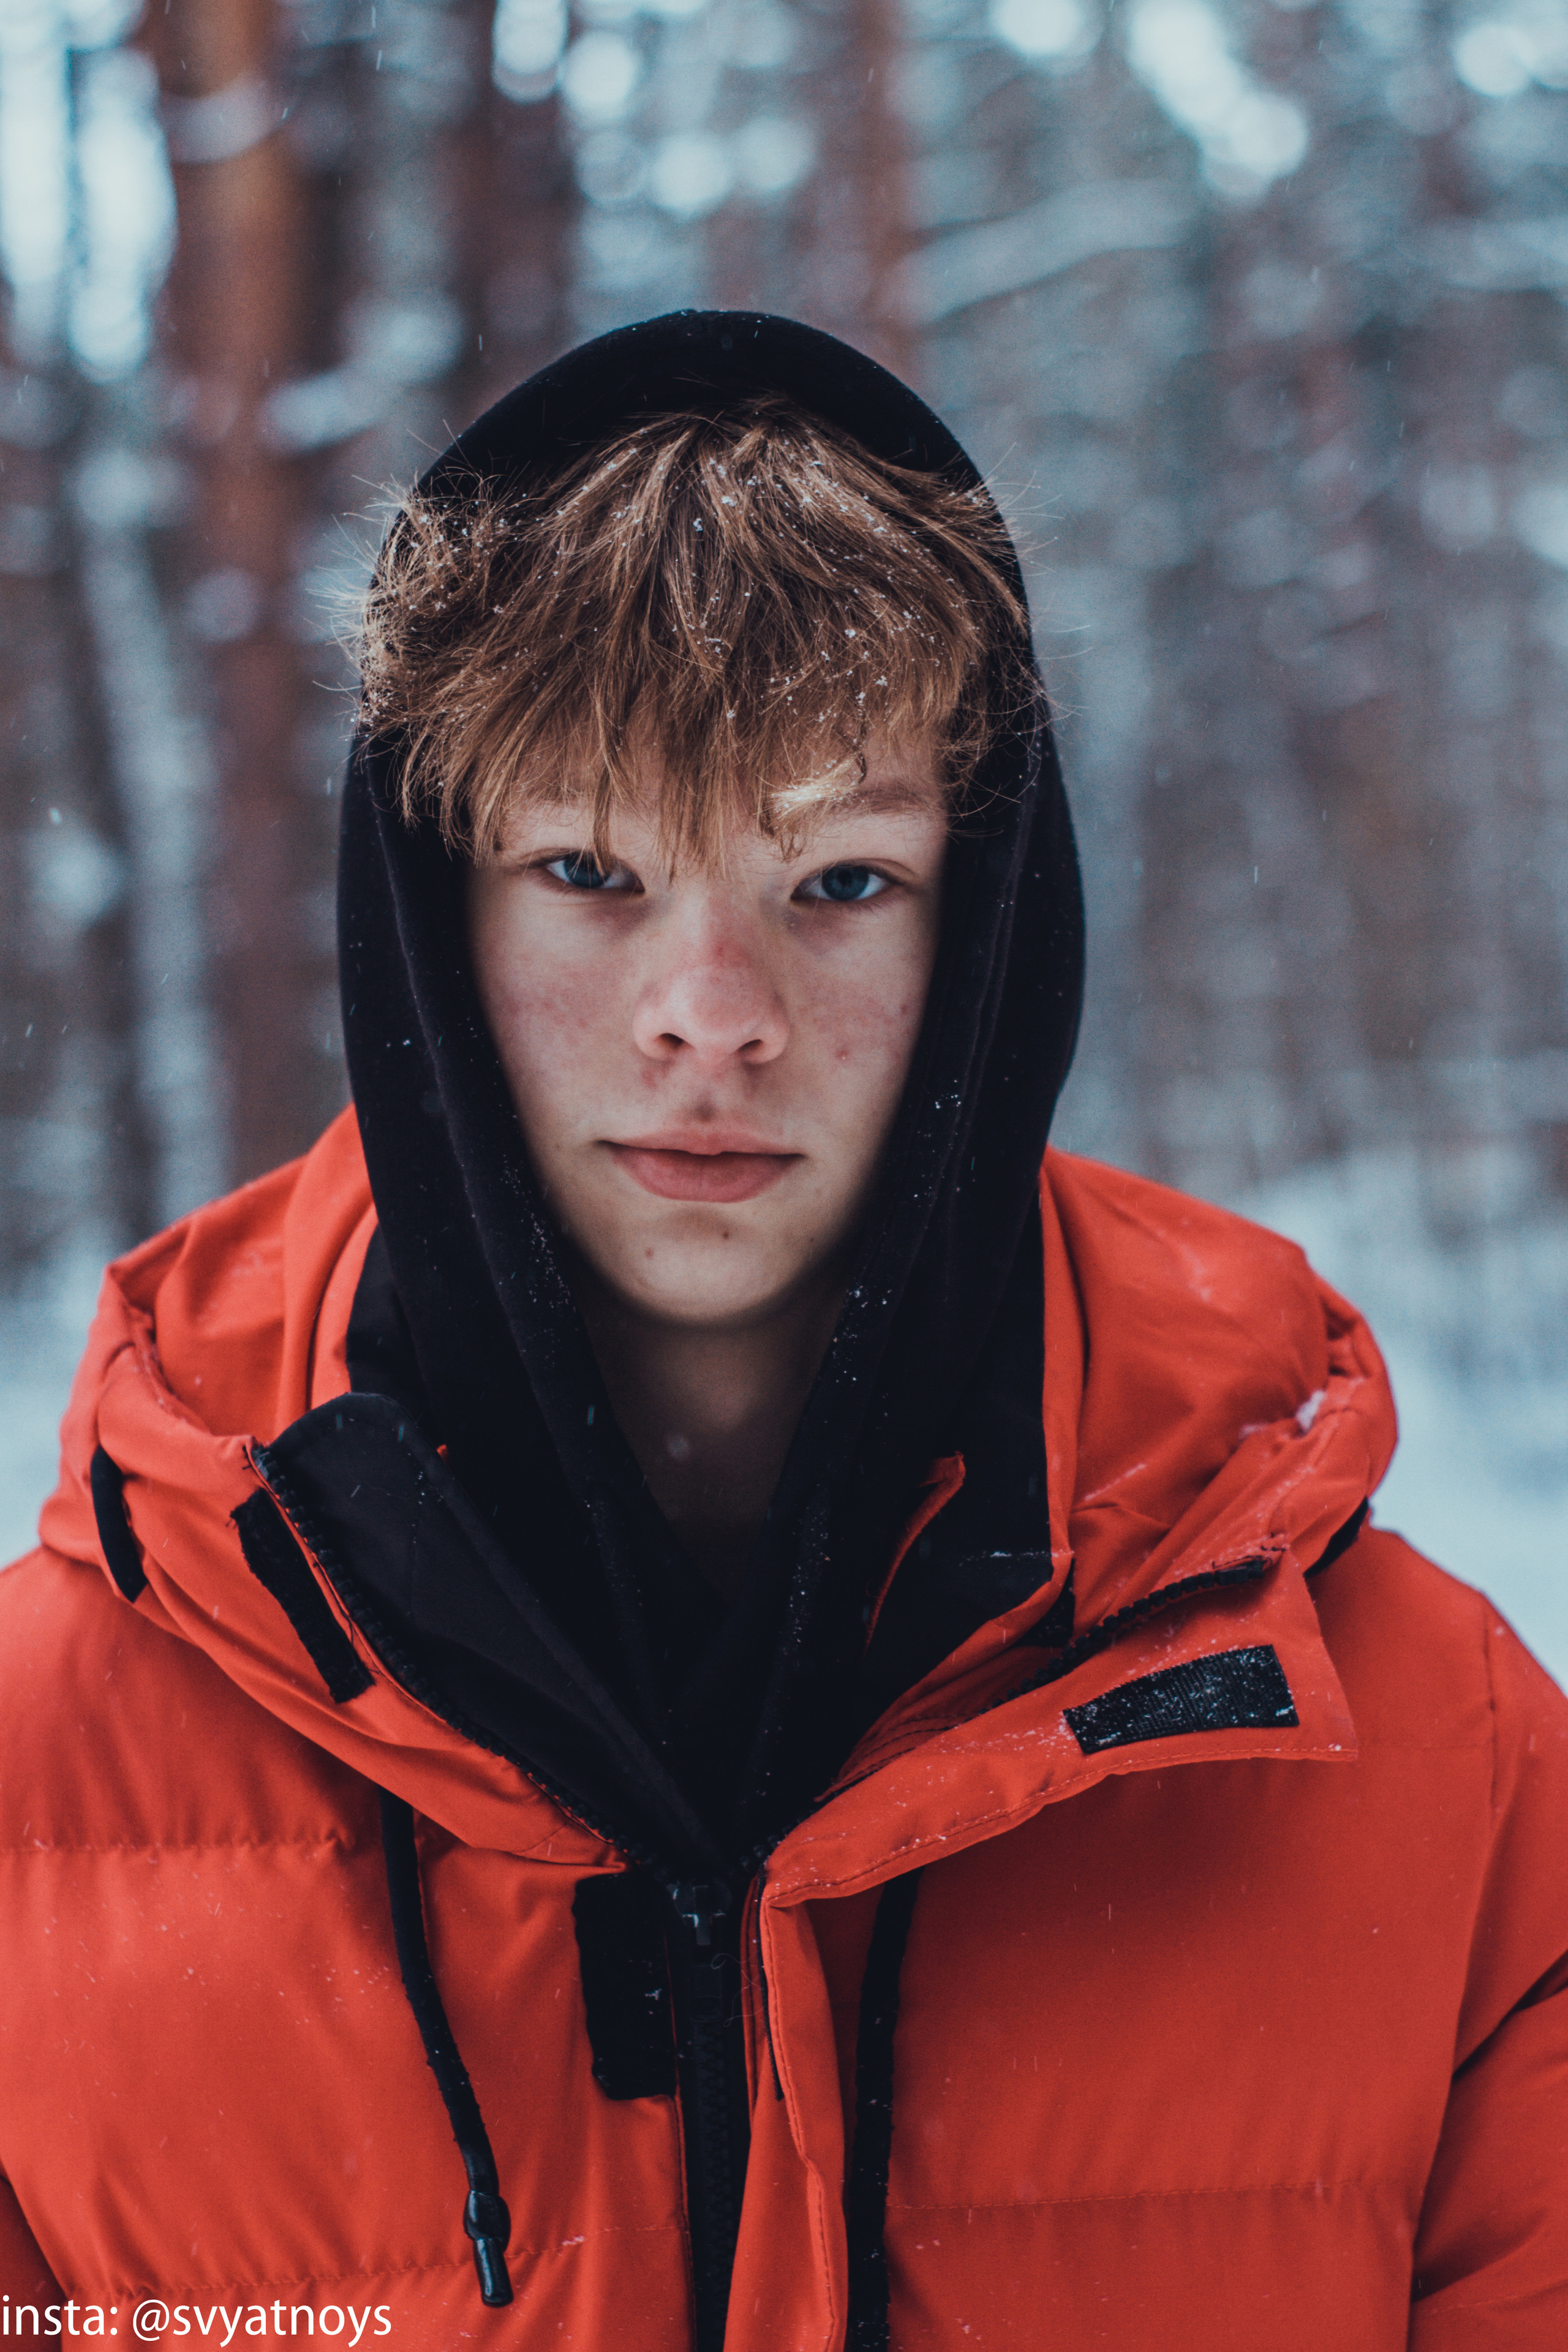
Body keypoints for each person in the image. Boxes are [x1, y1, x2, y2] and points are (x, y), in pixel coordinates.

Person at [1, 311, 1565, 2352]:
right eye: (590, 867)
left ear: (984, 930)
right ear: (432, 920)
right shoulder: (41, 1776)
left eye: (837, 879)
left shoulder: (1441, 1767)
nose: (713, 1015)